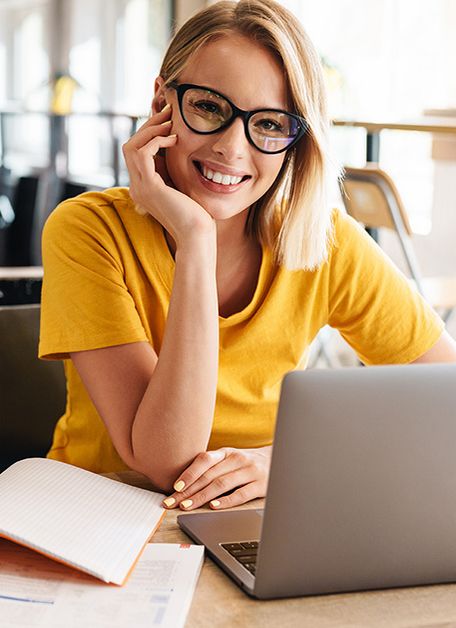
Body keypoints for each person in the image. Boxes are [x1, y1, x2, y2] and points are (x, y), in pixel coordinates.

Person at [39, 0, 456, 512]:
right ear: (161, 102)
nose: (232, 149)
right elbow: (168, 461)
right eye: (210, 107)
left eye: (270, 124)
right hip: (96, 520)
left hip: (254, 526)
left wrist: (283, 461)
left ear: (295, 140)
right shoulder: (88, 230)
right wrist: (196, 236)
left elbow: (446, 400)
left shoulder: (323, 240)